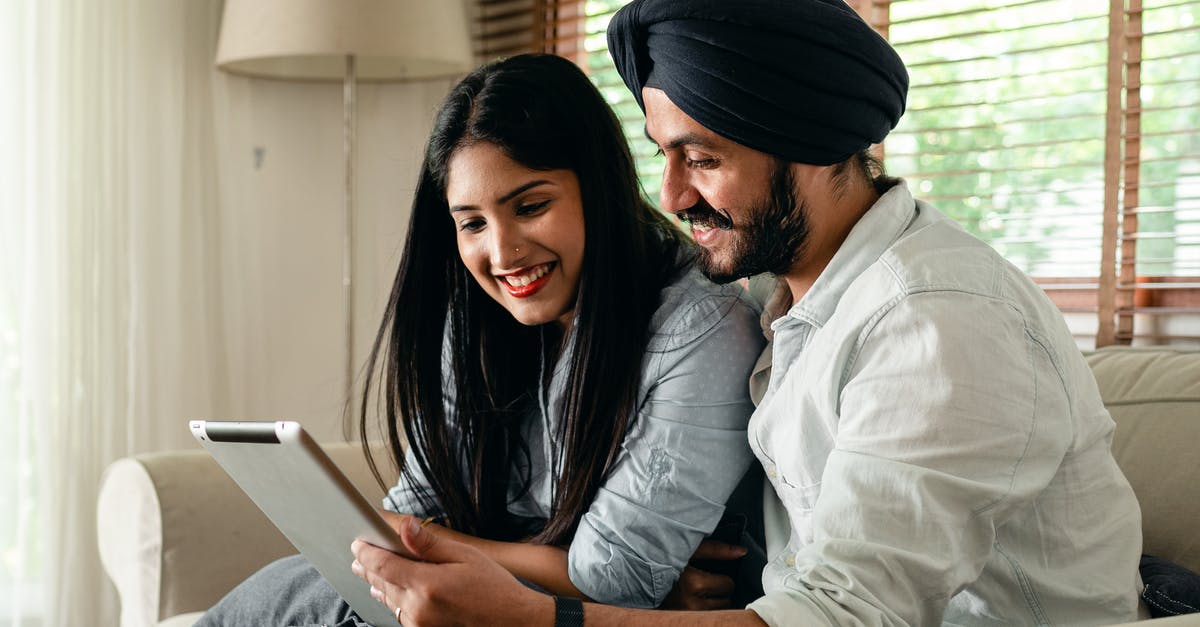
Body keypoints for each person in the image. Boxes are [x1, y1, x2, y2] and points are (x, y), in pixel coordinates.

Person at [349, 1, 1146, 625]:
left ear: (815, 143)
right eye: (665, 155)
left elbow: (842, 615)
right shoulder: (785, 304)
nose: (671, 197)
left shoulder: (931, 321)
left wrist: (549, 618)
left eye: (702, 159)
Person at [196, 53, 768, 627]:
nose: (502, 254)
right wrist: (431, 540)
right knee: (302, 592)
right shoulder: (479, 318)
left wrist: (420, 541)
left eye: (531, 206)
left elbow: (615, 577)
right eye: (472, 223)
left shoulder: (702, 330)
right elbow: (416, 508)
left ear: (600, 187)